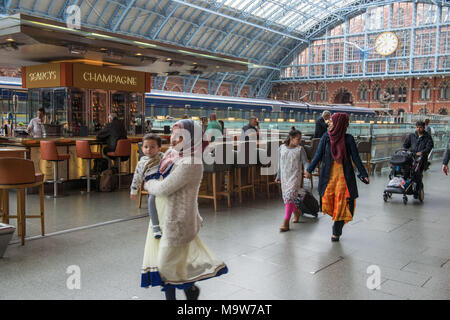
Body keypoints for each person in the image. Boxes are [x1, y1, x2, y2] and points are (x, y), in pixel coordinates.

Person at [141, 119, 228, 300]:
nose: (173, 139)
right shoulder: (173, 154)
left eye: (179, 136)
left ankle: (190, 290)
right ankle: (188, 291)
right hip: (162, 218)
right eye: (173, 134)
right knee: (167, 265)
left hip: (177, 221)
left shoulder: (191, 163)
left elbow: (164, 188)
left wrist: (149, 183)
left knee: (166, 266)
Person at [305, 113, 369, 242]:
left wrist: (364, 174)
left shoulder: (349, 139)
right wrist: (309, 169)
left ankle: (337, 229)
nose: (330, 124)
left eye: (333, 122)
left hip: (344, 177)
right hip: (328, 177)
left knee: (343, 203)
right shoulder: (326, 137)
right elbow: (318, 155)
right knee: (327, 200)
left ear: (339, 124)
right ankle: (337, 222)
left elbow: (356, 158)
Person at [130, 134, 165, 238]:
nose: (149, 149)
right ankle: (156, 226)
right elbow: (137, 176)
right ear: (142, 148)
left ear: (159, 148)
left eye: (152, 147)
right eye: (146, 147)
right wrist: (134, 190)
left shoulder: (164, 158)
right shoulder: (141, 163)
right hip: (152, 187)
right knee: (151, 200)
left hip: (165, 184)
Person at [275, 127, 309, 232]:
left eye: (300, 139)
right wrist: (278, 175)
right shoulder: (281, 148)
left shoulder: (300, 149)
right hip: (285, 177)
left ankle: (286, 223)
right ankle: (297, 212)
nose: (299, 141)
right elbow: (279, 164)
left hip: (295, 177)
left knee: (289, 197)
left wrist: (307, 170)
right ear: (291, 138)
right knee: (287, 199)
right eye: (298, 139)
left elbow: (305, 162)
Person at [402, 120, 434, 194]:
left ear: (424, 128)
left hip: (421, 159)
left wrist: (422, 152)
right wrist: (404, 150)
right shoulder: (411, 136)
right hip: (412, 157)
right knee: (407, 172)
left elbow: (429, 147)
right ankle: (409, 188)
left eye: (420, 127)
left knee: (417, 174)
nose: (418, 129)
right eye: (417, 127)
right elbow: (405, 145)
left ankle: (419, 189)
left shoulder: (427, 137)